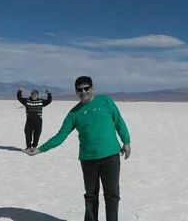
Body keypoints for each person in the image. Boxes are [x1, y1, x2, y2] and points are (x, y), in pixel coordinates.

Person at [26, 76, 131, 221]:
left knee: (112, 195)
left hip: (111, 156)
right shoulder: (74, 113)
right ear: (76, 92)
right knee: (91, 196)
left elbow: (119, 121)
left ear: (92, 88)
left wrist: (126, 141)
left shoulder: (106, 101)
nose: (83, 92)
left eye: (86, 88)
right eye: (80, 90)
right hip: (88, 159)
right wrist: (40, 149)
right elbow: (61, 135)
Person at [17, 85, 52, 151]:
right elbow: (19, 98)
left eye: (35, 95)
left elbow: (49, 101)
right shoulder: (27, 101)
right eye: (32, 94)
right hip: (29, 120)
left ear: (37, 95)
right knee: (28, 133)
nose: (34, 96)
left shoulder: (41, 101)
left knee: (37, 133)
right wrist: (20, 91)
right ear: (31, 95)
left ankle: (34, 146)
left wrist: (49, 93)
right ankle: (28, 147)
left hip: (38, 120)